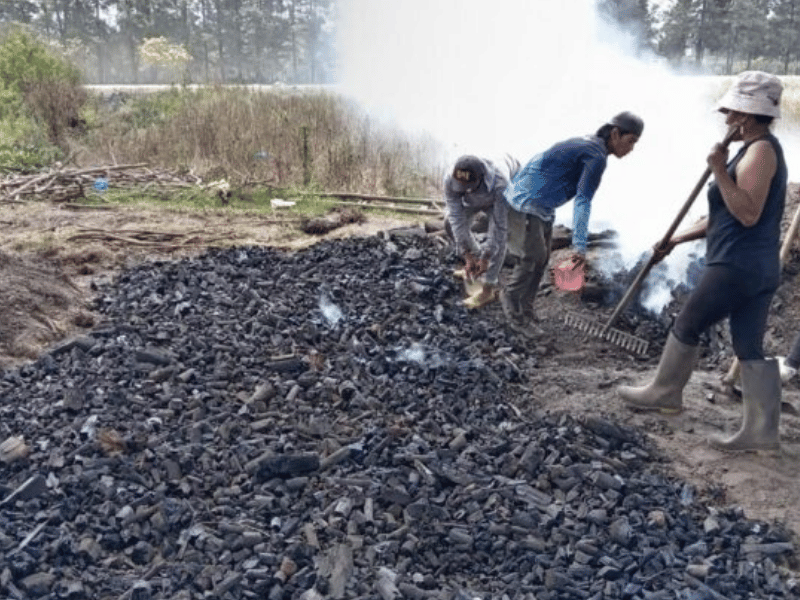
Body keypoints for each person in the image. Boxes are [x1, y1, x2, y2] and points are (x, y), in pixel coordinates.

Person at [617, 71, 787, 453]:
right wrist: (674, 239)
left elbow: (746, 213)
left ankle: (664, 393)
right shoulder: (751, 151)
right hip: (757, 268)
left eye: (732, 113)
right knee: (749, 348)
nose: (727, 120)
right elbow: (723, 214)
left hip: (736, 264)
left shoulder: (760, 152)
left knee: (688, 322)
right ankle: (762, 434)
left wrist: (717, 169)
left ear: (747, 114)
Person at [501, 111, 644, 336]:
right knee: (531, 259)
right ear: (615, 134)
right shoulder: (595, 155)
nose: (631, 149)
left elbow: (541, 160)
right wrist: (579, 246)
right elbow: (583, 200)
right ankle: (512, 307)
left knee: (542, 260)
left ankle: (526, 310)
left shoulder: (590, 146)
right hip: (526, 204)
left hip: (542, 206)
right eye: (630, 142)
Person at [444, 155, 517, 308]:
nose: (462, 190)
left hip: (497, 196)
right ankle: (475, 263)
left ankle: (488, 289)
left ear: (481, 179)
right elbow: (456, 218)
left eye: (467, 187)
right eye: (460, 187)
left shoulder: (501, 184)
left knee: (499, 239)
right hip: (473, 198)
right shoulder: (450, 179)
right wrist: (467, 254)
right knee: (449, 223)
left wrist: (487, 257)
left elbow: (498, 229)